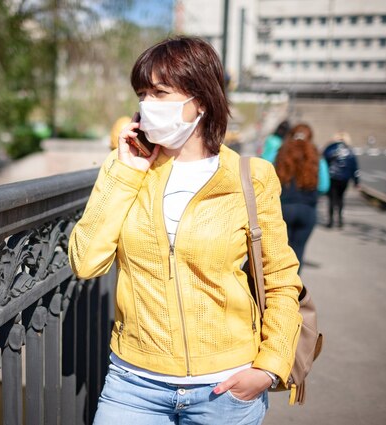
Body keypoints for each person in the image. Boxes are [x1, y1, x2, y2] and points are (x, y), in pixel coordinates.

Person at [68, 36, 303, 425]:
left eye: (160, 93)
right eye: (142, 94)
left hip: (227, 388)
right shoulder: (127, 169)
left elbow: (280, 279)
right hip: (134, 384)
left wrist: (269, 367)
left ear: (202, 99)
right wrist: (125, 170)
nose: (146, 105)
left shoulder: (251, 177)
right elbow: (85, 262)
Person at [274, 123, 330, 271]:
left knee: (280, 252)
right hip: (307, 208)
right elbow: (324, 186)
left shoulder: (281, 153)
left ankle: (277, 287)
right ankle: (295, 289)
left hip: (283, 208)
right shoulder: (316, 156)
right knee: (298, 251)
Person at [323, 132, 360, 228]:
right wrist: (356, 181)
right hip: (344, 178)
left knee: (331, 198)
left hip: (331, 176)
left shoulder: (330, 148)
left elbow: (323, 162)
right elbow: (354, 167)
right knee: (340, 198)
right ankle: (339, 220)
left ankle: (330, 221)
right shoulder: (349, 150)